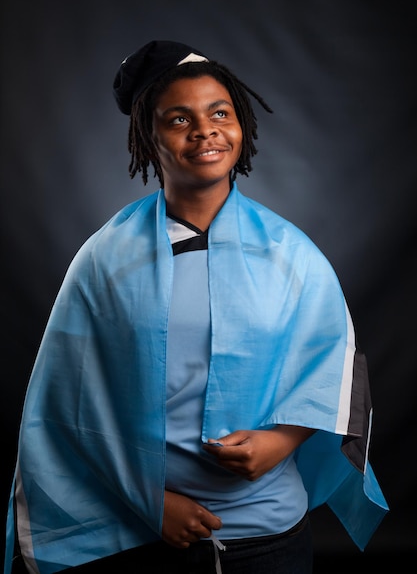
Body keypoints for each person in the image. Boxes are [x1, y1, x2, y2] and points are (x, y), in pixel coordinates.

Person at [4, 40, 388, 574]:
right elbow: (66, 399)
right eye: (178, 119)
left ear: (240, 126)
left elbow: (337, 369)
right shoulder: (104, 259)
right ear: (149, 137)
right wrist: (151, 502)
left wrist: (283, 439)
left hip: (268, 533)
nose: (204, 130)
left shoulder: (291, 253)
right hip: (141, 527)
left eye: (220, 113)